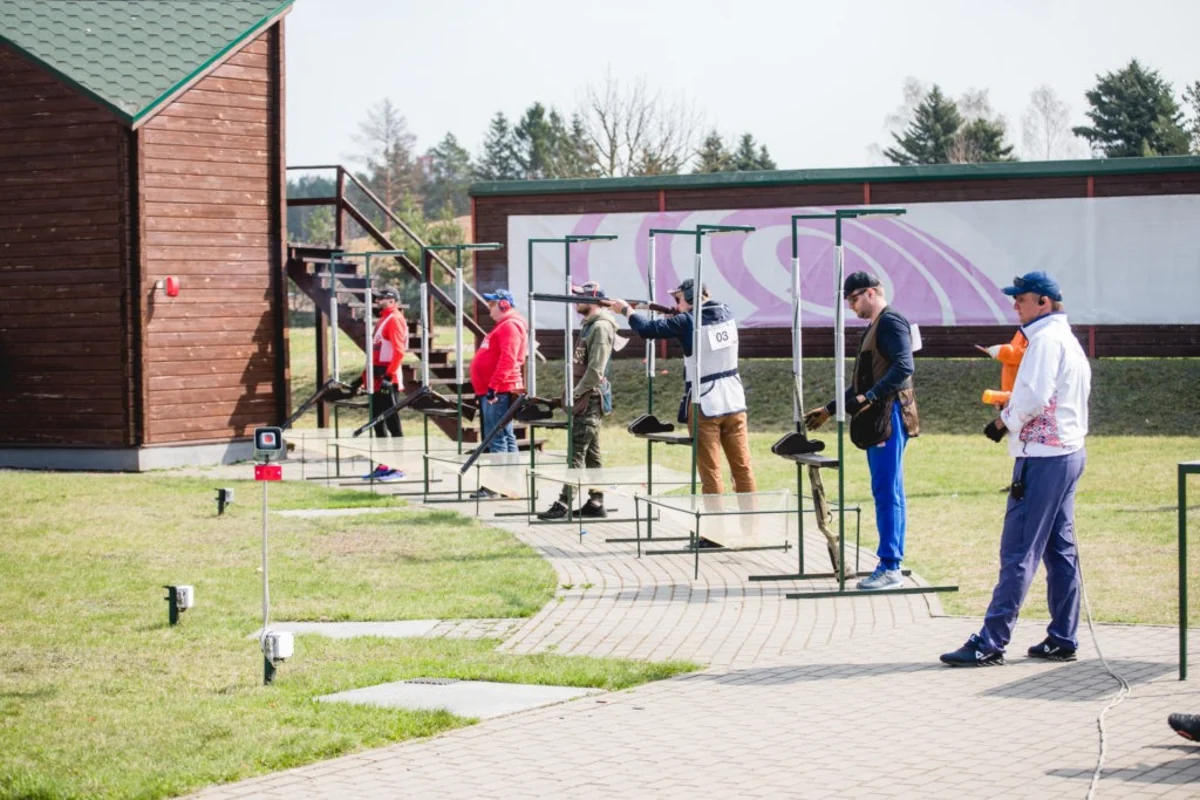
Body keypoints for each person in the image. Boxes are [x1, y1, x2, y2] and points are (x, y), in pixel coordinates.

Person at [940, 270, 1091, 667]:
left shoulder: (1043, 339)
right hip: (1068, 452)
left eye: (1021, 298)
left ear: (1044, 302)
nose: (1014, 305)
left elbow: (1035, 397)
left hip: (1043, 455)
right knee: (1059, 551)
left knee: (1019, 551)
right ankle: (1063, 636)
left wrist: (1003, 421)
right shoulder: (1067, 339)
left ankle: (991, 641)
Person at [804, 272, 920, 591]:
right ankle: (890, 562)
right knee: (886, 489)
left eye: (853, 298)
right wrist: (829, 409)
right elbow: (862, 384)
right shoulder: (876, 325)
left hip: (889, 413)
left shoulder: (891, 322)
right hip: (882, 412)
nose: (851, 306)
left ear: (870, 293)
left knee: (887, 490)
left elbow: (903, 368)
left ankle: (890, 566)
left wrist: (869, 397)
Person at [611, 278, 755, 497]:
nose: (677, 305)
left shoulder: (686, 321)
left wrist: (627, 311)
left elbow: (647, 329)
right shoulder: (726, 312)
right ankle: (750, 527)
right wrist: (678, 318)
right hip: (735, 401)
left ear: (690, 298)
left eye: (678, 299)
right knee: (743, 470)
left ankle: (713, 530)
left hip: (704, 402)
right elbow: (700, 326)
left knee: (711, 472)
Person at [537, 281, 617, 521]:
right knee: (591, 455)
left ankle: (563, 503)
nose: (575, 301)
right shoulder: (590, 326)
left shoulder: (600, 328)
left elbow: (595, 371)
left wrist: (575, 393)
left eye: (580, 297)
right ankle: (595, 501)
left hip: (589, 398)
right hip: (586, 396)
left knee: (576, 455)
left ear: (593, 300)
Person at [470, 289, 528, 454]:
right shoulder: (505, 325)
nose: (489, 307)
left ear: (504, 305)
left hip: (499, 390)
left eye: (493, 303)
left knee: (496, 438)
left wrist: (493, 387)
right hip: (497, 389)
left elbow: (508, 359)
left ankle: (500, 477)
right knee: (503, 435)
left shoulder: (509, 326)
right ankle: (509, 475)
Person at [362, 287, 408, 482]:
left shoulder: (395, 318)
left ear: (392, 300)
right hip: (377, 378)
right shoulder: (384, 318)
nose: (378, 300)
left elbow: (399, 351)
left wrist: (389, 377)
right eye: (378, 297)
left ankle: (399, 466)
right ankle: (384, 463)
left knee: (392, 423)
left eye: (382, 298)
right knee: (377, 423)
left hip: (387, 379)